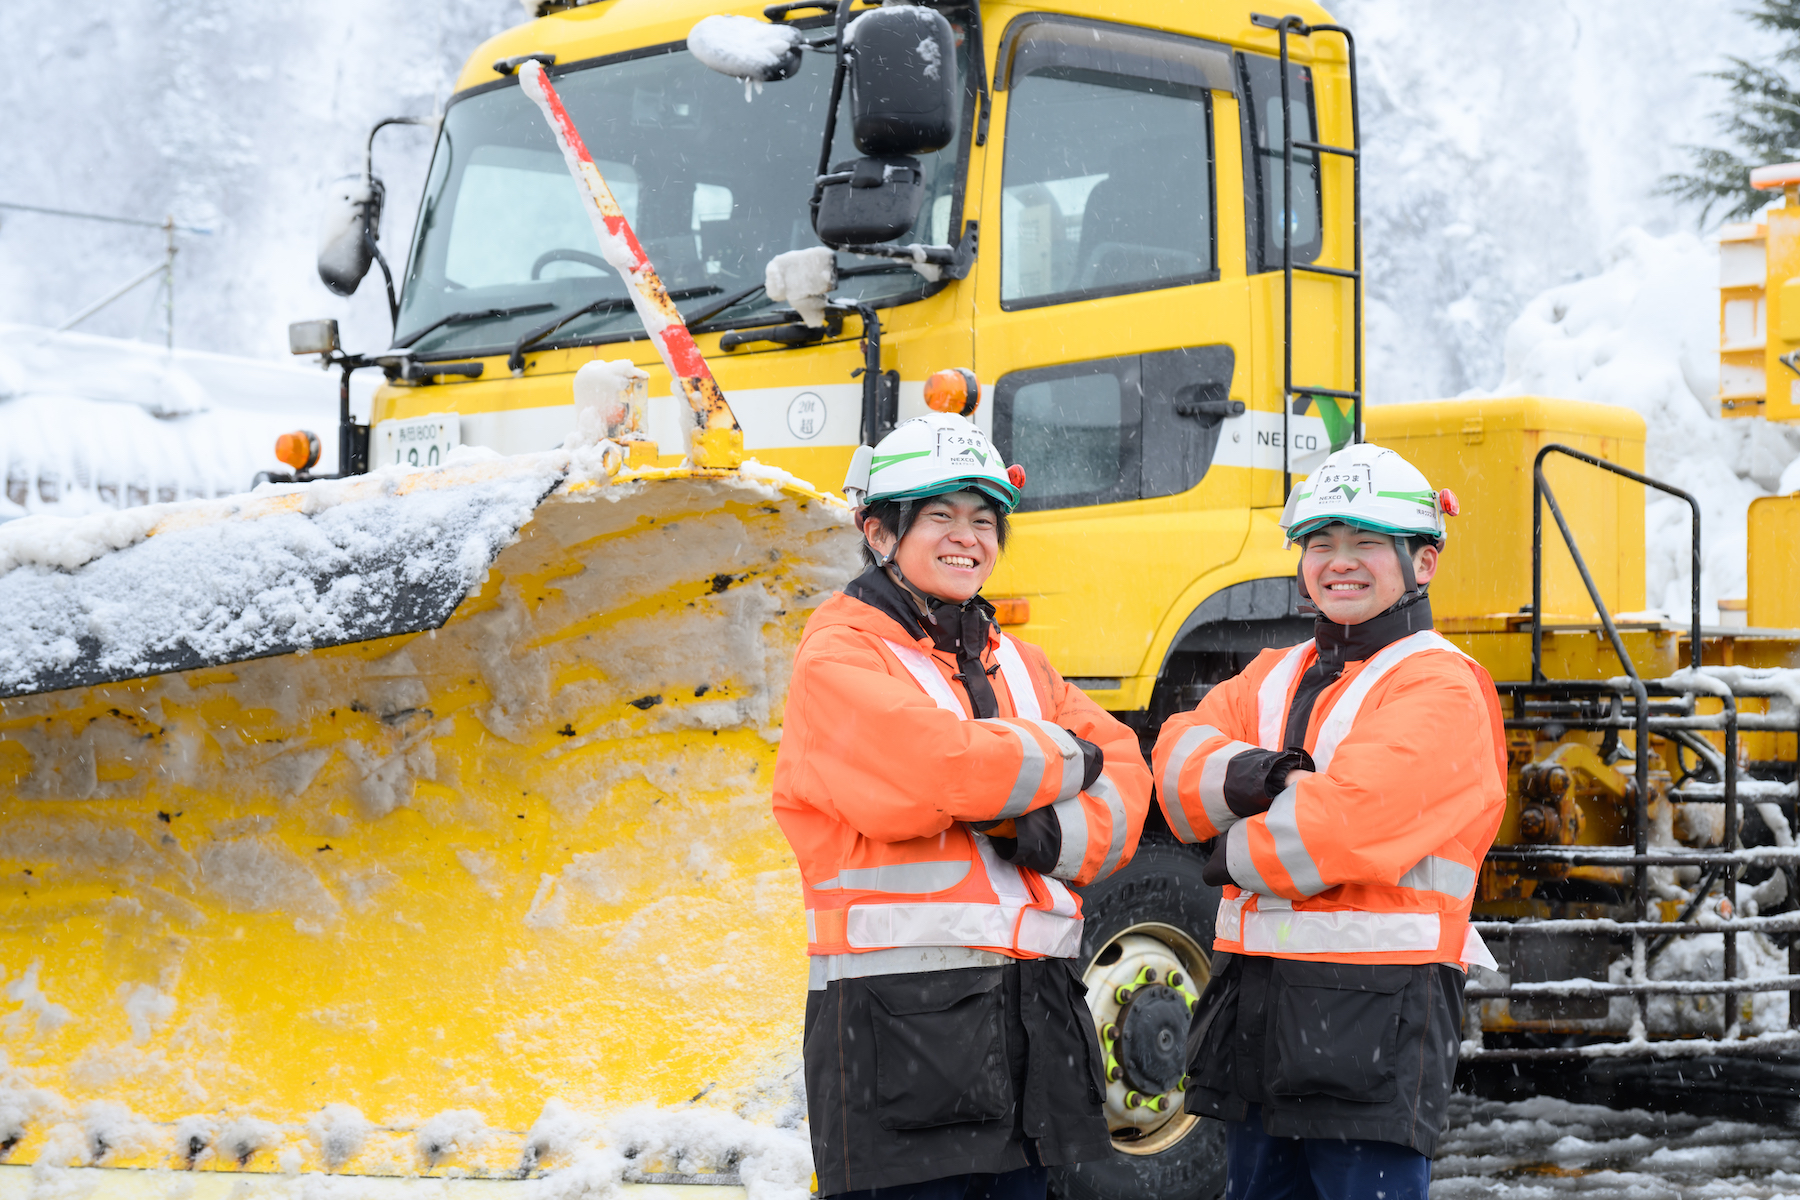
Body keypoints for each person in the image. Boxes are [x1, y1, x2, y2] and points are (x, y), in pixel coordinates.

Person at [772, 398, 1151, 1200]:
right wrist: (1066, 756)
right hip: (898, 1033)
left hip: (1032, 1024)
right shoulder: (838, 651)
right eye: (939, 515)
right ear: (880, 534)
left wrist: (1034, 825)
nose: (967, 537)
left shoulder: (1021, 662)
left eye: (985, 519)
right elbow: (935, 771)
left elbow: (1127, 776)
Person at [1151, 443, 1506, 1200]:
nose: (1339, 561)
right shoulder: (1273, 672)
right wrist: (1269, 776)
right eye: (1321, 543)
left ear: (1424, 562)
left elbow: (1336, 829)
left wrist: (1221, 834)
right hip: (1259, 1015)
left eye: (1367, 542)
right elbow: (1176, 767)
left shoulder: (1440, 685)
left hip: (1376, 1025)